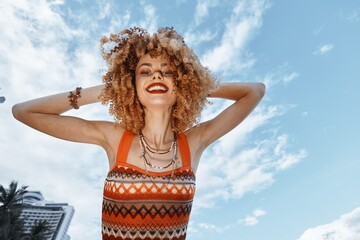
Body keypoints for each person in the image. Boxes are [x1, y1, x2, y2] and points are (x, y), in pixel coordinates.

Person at [12, 27, 265, 240]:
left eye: (168, 71)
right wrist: (107, 90)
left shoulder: (193, 143)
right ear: (130, 84)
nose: (157, 74)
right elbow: (24, 112)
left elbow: (255, 90)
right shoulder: (114, 138)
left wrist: (198, 84)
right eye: (145, 71)